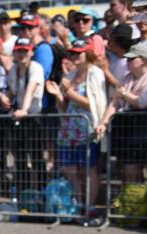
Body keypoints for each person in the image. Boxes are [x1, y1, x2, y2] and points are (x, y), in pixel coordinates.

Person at [45, 39, 107, 207]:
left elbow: (94, 104)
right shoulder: (70, 75)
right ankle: (78, 202)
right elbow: (64, 107)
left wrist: (70, 92)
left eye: (77, 52)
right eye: (71, 52)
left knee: (88, 169)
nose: (74, 56)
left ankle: (90, 206)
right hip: (68, 127)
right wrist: (57, 94)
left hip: (88, 127)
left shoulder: (95, 72)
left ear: (87, 54)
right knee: (69, 168)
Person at [97, 42, 147, 185]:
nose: (127, 61)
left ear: (144, 60)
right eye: (127, 58)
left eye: (132, 59)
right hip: (128, 129)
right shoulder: (125, 78)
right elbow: (114, 103)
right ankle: (136, 206)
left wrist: (123, 93)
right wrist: (104, 122)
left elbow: (142, 103)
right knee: (130, 172)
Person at [5, 37, 47, 192]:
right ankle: (24, 192)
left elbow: (30, 89)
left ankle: (41, 191)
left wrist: (24, 109)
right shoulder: (13, 69)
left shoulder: (36, 67)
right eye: (18, 51)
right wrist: (6, 97)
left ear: (31, 52)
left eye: (25, 50)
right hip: (18, 117)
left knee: (36, 157)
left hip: (33, 117)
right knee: (20, 157)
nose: (22, 54)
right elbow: (11, 90)